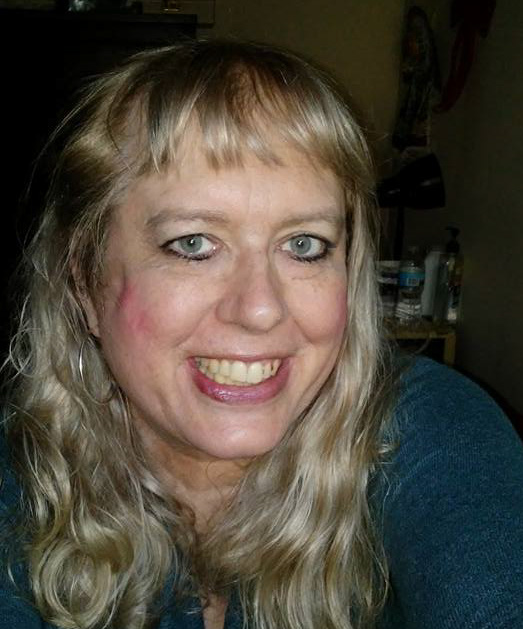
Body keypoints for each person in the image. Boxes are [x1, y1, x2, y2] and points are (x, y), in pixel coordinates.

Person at [1, 39, 522, 629]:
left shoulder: (428, 428)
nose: (260, 309)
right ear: (84, 284)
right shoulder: (18, 484)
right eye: (193, 244)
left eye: (304, 244)